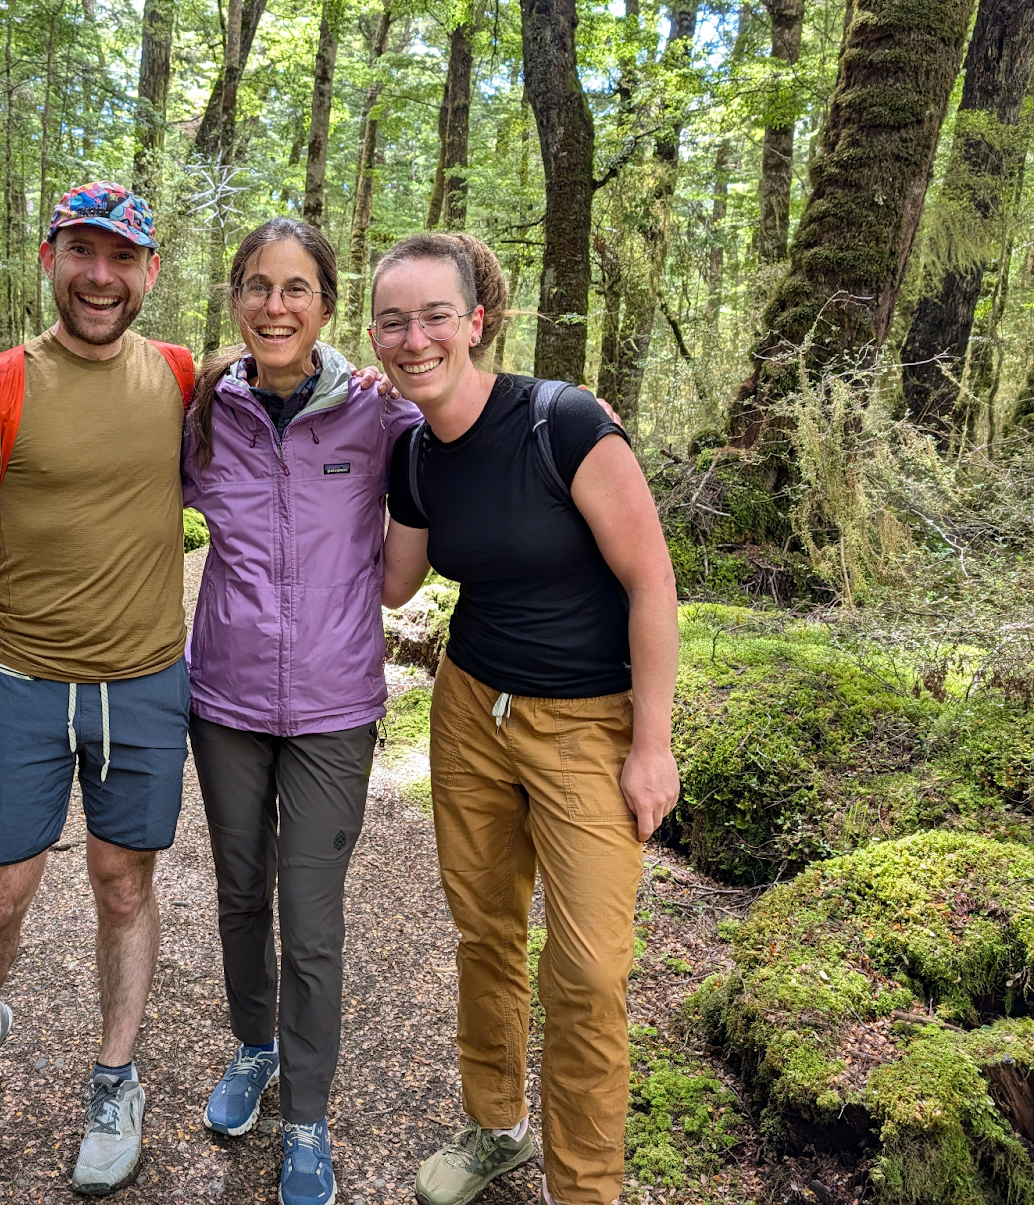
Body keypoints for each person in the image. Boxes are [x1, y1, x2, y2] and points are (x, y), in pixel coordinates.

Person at [372, 235, 680, 1205]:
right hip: (470, 708)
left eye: (432, 315)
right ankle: (496, 1127)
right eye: (391, 320)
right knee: (486, 932)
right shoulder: (415, 452)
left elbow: (651, 581)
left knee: (588, 970)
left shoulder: (566, 423)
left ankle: (584, 1186)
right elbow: (394, 578)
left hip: (589, 720)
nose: (412, 336)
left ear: (475, 319)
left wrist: (651, 743)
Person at [0, 181, 196, 1196]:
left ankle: (115, 1076)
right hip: (20, 682)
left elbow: (304, 405)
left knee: (125, 884)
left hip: (145, 685)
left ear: (149, 273)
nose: (101, 276)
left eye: (122, 258)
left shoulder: (179, 377)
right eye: (83, 251)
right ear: (49, 257)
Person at [182, 217, 422, 1205]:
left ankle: (309, 1118)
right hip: (225, 698)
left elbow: (475, 423)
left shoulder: (377, 414)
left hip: (333, 705)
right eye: (255, 286)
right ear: (236, 300)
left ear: (327, 305)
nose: (273, 305)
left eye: (295, 288)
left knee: (310, 920)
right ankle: (255, 1044)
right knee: (241, 891)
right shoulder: (201, 413)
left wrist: (571, 410)